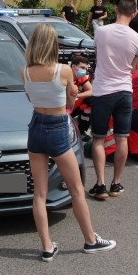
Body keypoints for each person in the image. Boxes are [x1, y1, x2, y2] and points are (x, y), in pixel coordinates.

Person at [21, 24, 116, 260]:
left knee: (39, 194)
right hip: (57, 127)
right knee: (76, 190)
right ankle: (90, 240)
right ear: (52, 45)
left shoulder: (25, 71)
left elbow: (29, 96)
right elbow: (72, 95)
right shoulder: (62, 70)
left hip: (35, 127)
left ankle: (46, 247)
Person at [88, 0, 138, 201]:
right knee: (122, 138)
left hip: (102, 90)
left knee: (98, 140)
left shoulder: (101, 32)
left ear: (116, 9)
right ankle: (116, 183)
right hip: (125, 91)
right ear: (134, 13)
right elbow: (135, 67)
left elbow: (97, 54)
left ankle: (100, 184)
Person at [68, 55, 93, 140]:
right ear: (73, 67)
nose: (84, 71)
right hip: (62, 106)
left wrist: (78, 95)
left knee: (92, 100)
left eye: (86, 69)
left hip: (73, 105)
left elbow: (91, 91)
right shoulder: (65, 76)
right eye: (82, 67)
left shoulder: (81, 77)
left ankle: (81, 130)